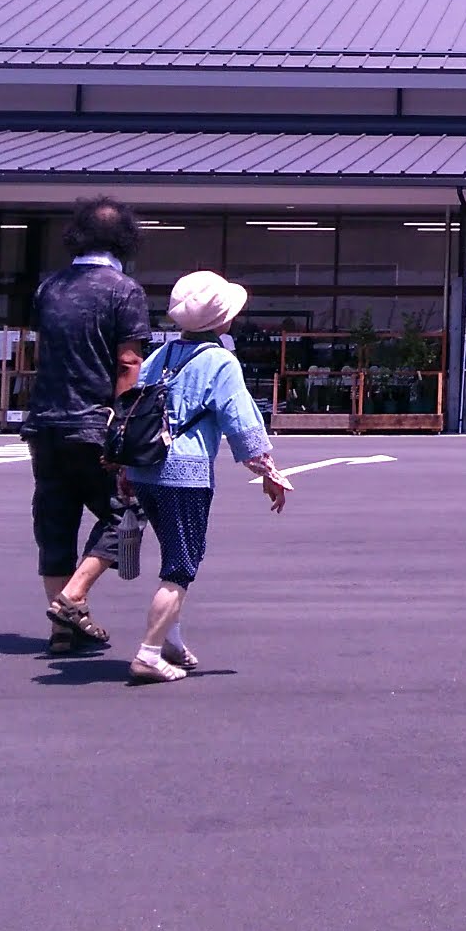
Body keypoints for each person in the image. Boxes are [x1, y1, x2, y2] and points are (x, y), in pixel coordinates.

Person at [118, 270, 287, 684]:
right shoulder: (220, 361)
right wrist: (268, 472)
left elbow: (132, 410)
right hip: (185, 475)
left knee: (172, 552)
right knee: (180, 566)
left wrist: (124, 468)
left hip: (145, 470)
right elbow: (241, 421)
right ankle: (149, 652)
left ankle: (171, 641)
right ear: (221, 320)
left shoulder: (160, 356)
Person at [24, 196, 153, 657]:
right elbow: (128, 362)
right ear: (126, 238)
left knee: (55, 521)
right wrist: (124, 424)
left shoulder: (49, 288)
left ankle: (63, 629)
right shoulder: (124, 290)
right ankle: (73, 597)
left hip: (45, 423)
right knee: (128, 511)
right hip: (96, 424)